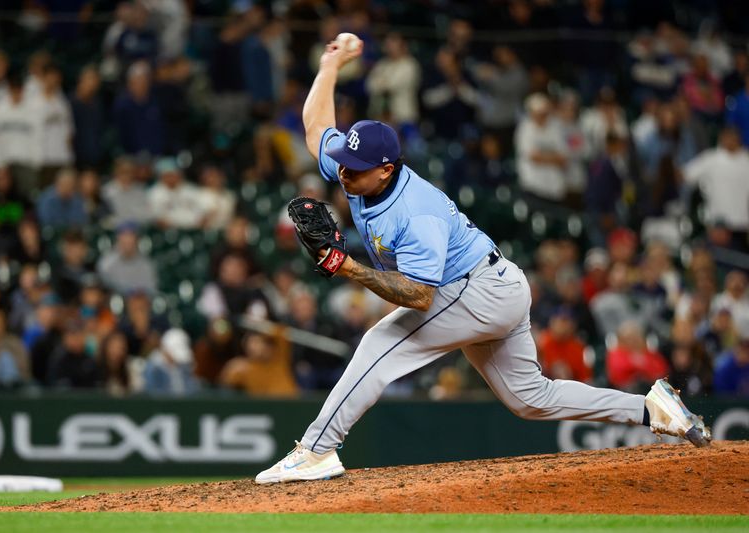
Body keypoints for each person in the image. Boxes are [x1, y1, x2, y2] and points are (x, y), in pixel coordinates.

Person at [255, 35, 712, 485]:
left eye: (354, 168)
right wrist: (330, 66)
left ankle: (316, 451)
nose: (343, 172)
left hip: (476, 290)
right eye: (343, 164)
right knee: (530, 398)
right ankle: (651, 408)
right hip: (495, 283)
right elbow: (316, 129)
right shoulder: (360, 171)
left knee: (380, 345)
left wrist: (349, 267)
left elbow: (418, 296)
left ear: (387, 169)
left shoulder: (416, 215)